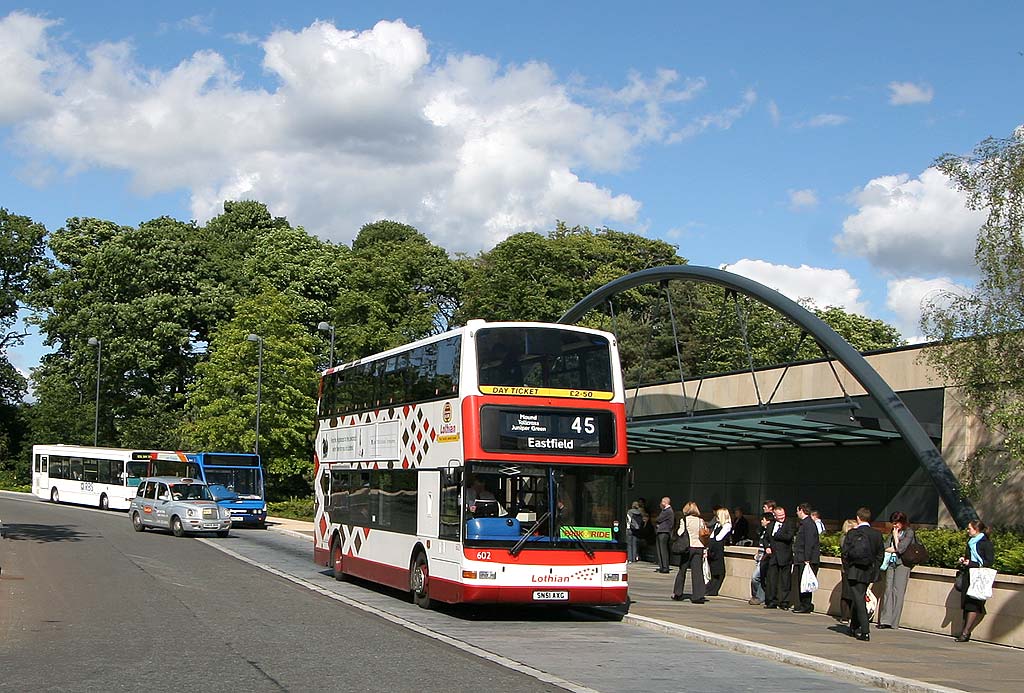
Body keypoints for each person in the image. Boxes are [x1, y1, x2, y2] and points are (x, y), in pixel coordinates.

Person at [841, 507, 885, 641]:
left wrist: (848, 570)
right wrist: (874, 569)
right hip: (868, 571)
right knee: (858, 597)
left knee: (859, 599)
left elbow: (845, 554)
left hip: (854, 571)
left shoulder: (852, 533)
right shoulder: (876, 534)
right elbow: (880, 555)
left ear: (858, 518)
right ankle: (854, 626)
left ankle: (865, 630)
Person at [955, 519, 995, 643]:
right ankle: (965, 630)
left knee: (974, 604)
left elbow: (989, 561)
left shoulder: (985, 543)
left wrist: (972, 563)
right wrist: (964, 560)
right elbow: (968, 556)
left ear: (976, 529)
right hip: (969, 575)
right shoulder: (970, 542)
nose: (967, 531)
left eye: (969, 529)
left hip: (978, 577)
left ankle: (965, 632)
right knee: (967, 603)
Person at [878, 511, 916, 630]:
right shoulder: (893, 531)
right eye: (893, 523)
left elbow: (901, 548)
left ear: (903, 522)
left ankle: (894, 622)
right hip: (891, 563)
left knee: (898, 592)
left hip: (903, 564)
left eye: (897, 523)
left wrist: (896, 538)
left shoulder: (909, 532)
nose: (895, 526)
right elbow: (885, 546)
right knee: (888, 590)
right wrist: (893, 547)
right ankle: (885, 620)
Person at [671, 501, 708, 603]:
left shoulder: (685, 520)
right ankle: (698, 596)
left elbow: (680, 532)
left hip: (687, 547)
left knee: (682, 570)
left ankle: (678, 593)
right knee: (697, 572)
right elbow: (703, 533)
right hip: (699, 547)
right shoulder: (701, 521)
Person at [790, 503, 821, 613]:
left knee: (805, 582)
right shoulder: (804, 524)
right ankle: (803, 604)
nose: (796, 513)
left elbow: (809, 543)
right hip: (801, 557)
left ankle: (805, 605)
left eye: (797, 510)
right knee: (801, 582)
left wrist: (807, 558)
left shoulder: (808, 524)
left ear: (802, 510)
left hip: (806, 559)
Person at [764, 505, 796, 609]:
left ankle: (785, 602)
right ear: (774, 515)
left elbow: (788, 537)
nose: (782, 517)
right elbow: (766, 538)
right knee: (772, 580)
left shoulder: (789, 524)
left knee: (785, 581)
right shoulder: (771, 525)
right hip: (773, 556)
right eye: (779, 516)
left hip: (785, 556)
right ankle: (772, 601)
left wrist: (777, 535)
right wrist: (767, 547)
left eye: (783, 515)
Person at [706, 507, 732, 596]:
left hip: (718, 549)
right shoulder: (718, 525)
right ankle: (710, 589)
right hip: (713, 548)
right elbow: (712, 537)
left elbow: (718, 538)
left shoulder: (727, 525)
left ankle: (714, 590)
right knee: (713, 570)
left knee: (719, 571)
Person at [749, 511, 773, 605]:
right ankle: (757, 596)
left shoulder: (769, 531)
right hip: (760, 557)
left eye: (763, 520)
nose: (761, 521)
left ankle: (759, 597)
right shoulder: (763, 531)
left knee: (756, 577)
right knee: (759, 578)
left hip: (765, 557)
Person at [838, 518, 858, 623]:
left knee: (852, 593)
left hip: (853, 569)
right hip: (846, 569)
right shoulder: (844, 538)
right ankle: (844, 615)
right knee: (846, 592)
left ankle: (850, 615)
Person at [654, 497, 674, 573]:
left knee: (663, 550)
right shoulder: (665, 510)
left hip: (664, 532)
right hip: (661, 532)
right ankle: (662, 566)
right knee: (660, 550)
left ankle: (665, 567)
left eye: (662, 502)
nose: (661, 504)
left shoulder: (668, 511)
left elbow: (658, 519)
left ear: (665, 502)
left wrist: (658, 522)